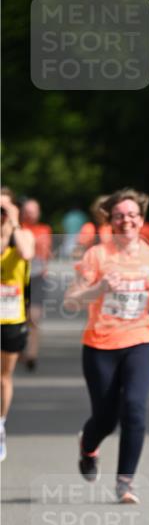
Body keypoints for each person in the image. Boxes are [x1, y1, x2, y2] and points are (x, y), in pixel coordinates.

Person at [64, 188, 149, 503]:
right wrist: (98, 287)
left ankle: (125, 482)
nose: (126, 220)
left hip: (140, 340)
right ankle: (88, 445)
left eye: (132, 215)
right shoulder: (97, 255)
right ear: (110, 221)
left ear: (141, 220)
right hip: (100, 345)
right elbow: (72, 300)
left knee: (135, 409)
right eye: (119, 216)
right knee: (105, 418)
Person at [1, 188, 35, 461]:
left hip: (11, 317)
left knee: (3, 377)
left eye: (4, 208)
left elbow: (25, 252)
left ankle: (0, 424)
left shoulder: (22, 235)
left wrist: (13, 222)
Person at [19, 198, 53, 371]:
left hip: (38, 277)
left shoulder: (45, 229)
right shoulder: (17, 229)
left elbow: (47, 253)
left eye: (34, 210)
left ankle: (32, 354)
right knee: (20, 317)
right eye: (28, 210)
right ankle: (18, 349)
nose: (31, 213)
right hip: (18, 279)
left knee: (34, 317)